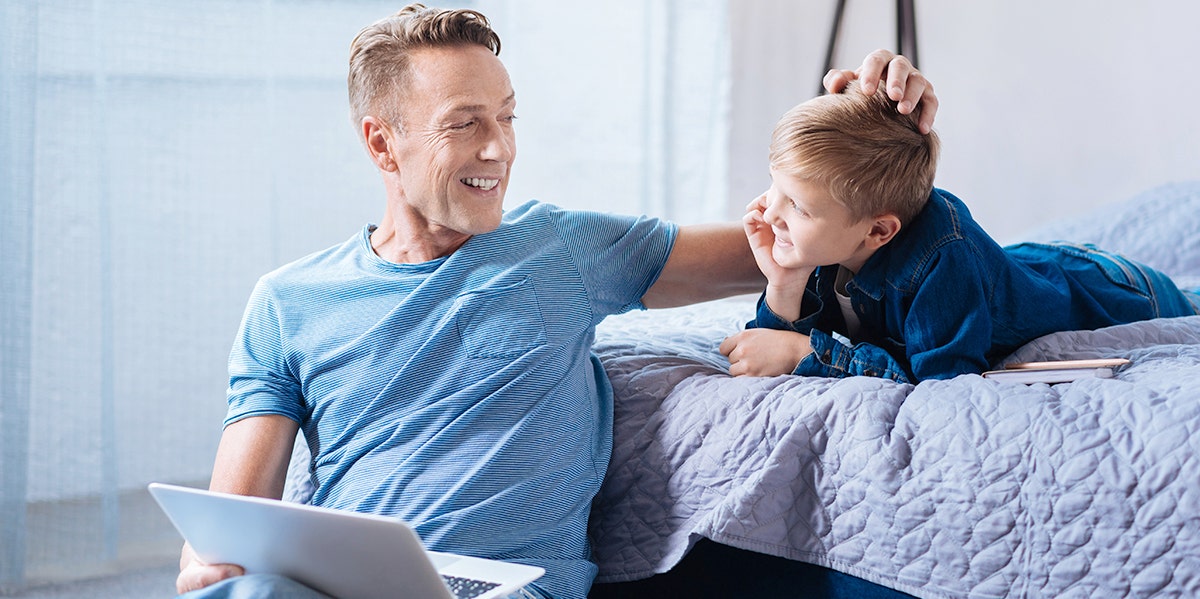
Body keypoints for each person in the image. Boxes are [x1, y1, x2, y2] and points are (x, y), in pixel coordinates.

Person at [174, 4, 938, 598]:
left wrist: (876, 141)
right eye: (464, 125)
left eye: (506, 117)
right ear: (382, 144)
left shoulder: (560, 248)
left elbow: (797, 240)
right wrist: (207, 565)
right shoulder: (288, 302)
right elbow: (225, 528)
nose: (499, 148)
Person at [720, 81, 1200, 383]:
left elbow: (944, 377)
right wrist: (784, 285)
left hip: (1113, 289)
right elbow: (764, 357)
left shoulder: (940, 259)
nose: (771, 212)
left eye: (797, 206)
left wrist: (812, 352)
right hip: (1032, 262)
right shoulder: (828, 238)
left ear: (878, 232)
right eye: (774, 187)